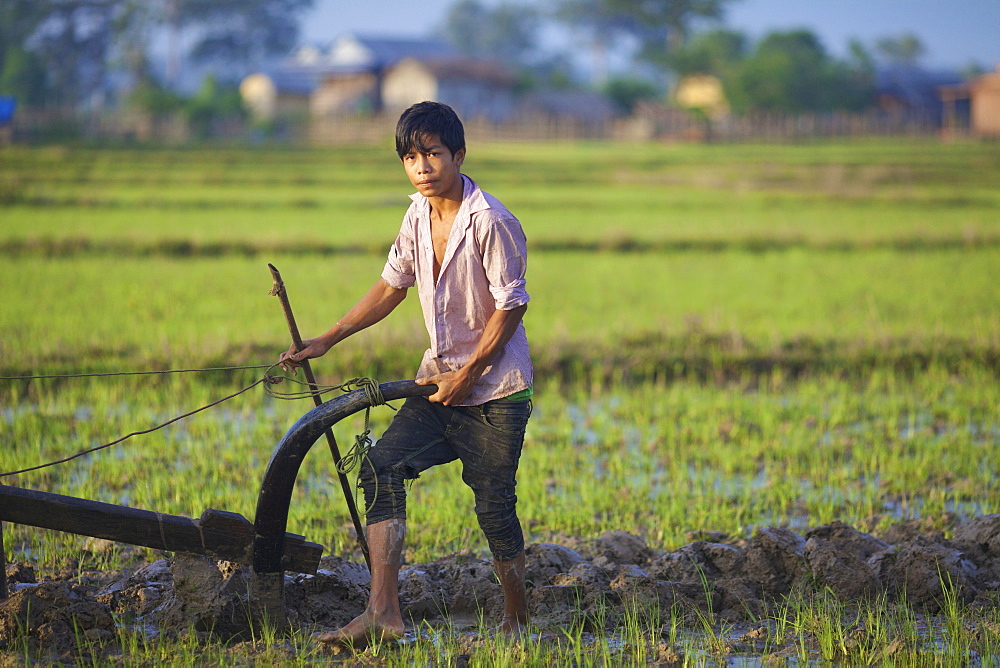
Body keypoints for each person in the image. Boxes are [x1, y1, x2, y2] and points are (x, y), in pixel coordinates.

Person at [279, 101, 533, 645]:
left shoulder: (491, 221)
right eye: (411, 157)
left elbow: (510, 309)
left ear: (459, 155)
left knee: (494, 506)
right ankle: (383, 613)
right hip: (436, 382)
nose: (421, 167)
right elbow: (393, 284)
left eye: (433, 154)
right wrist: (330, 337)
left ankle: (517, 616)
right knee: (381, 467)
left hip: (496, 393)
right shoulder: (417, 214)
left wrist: (469, 374)